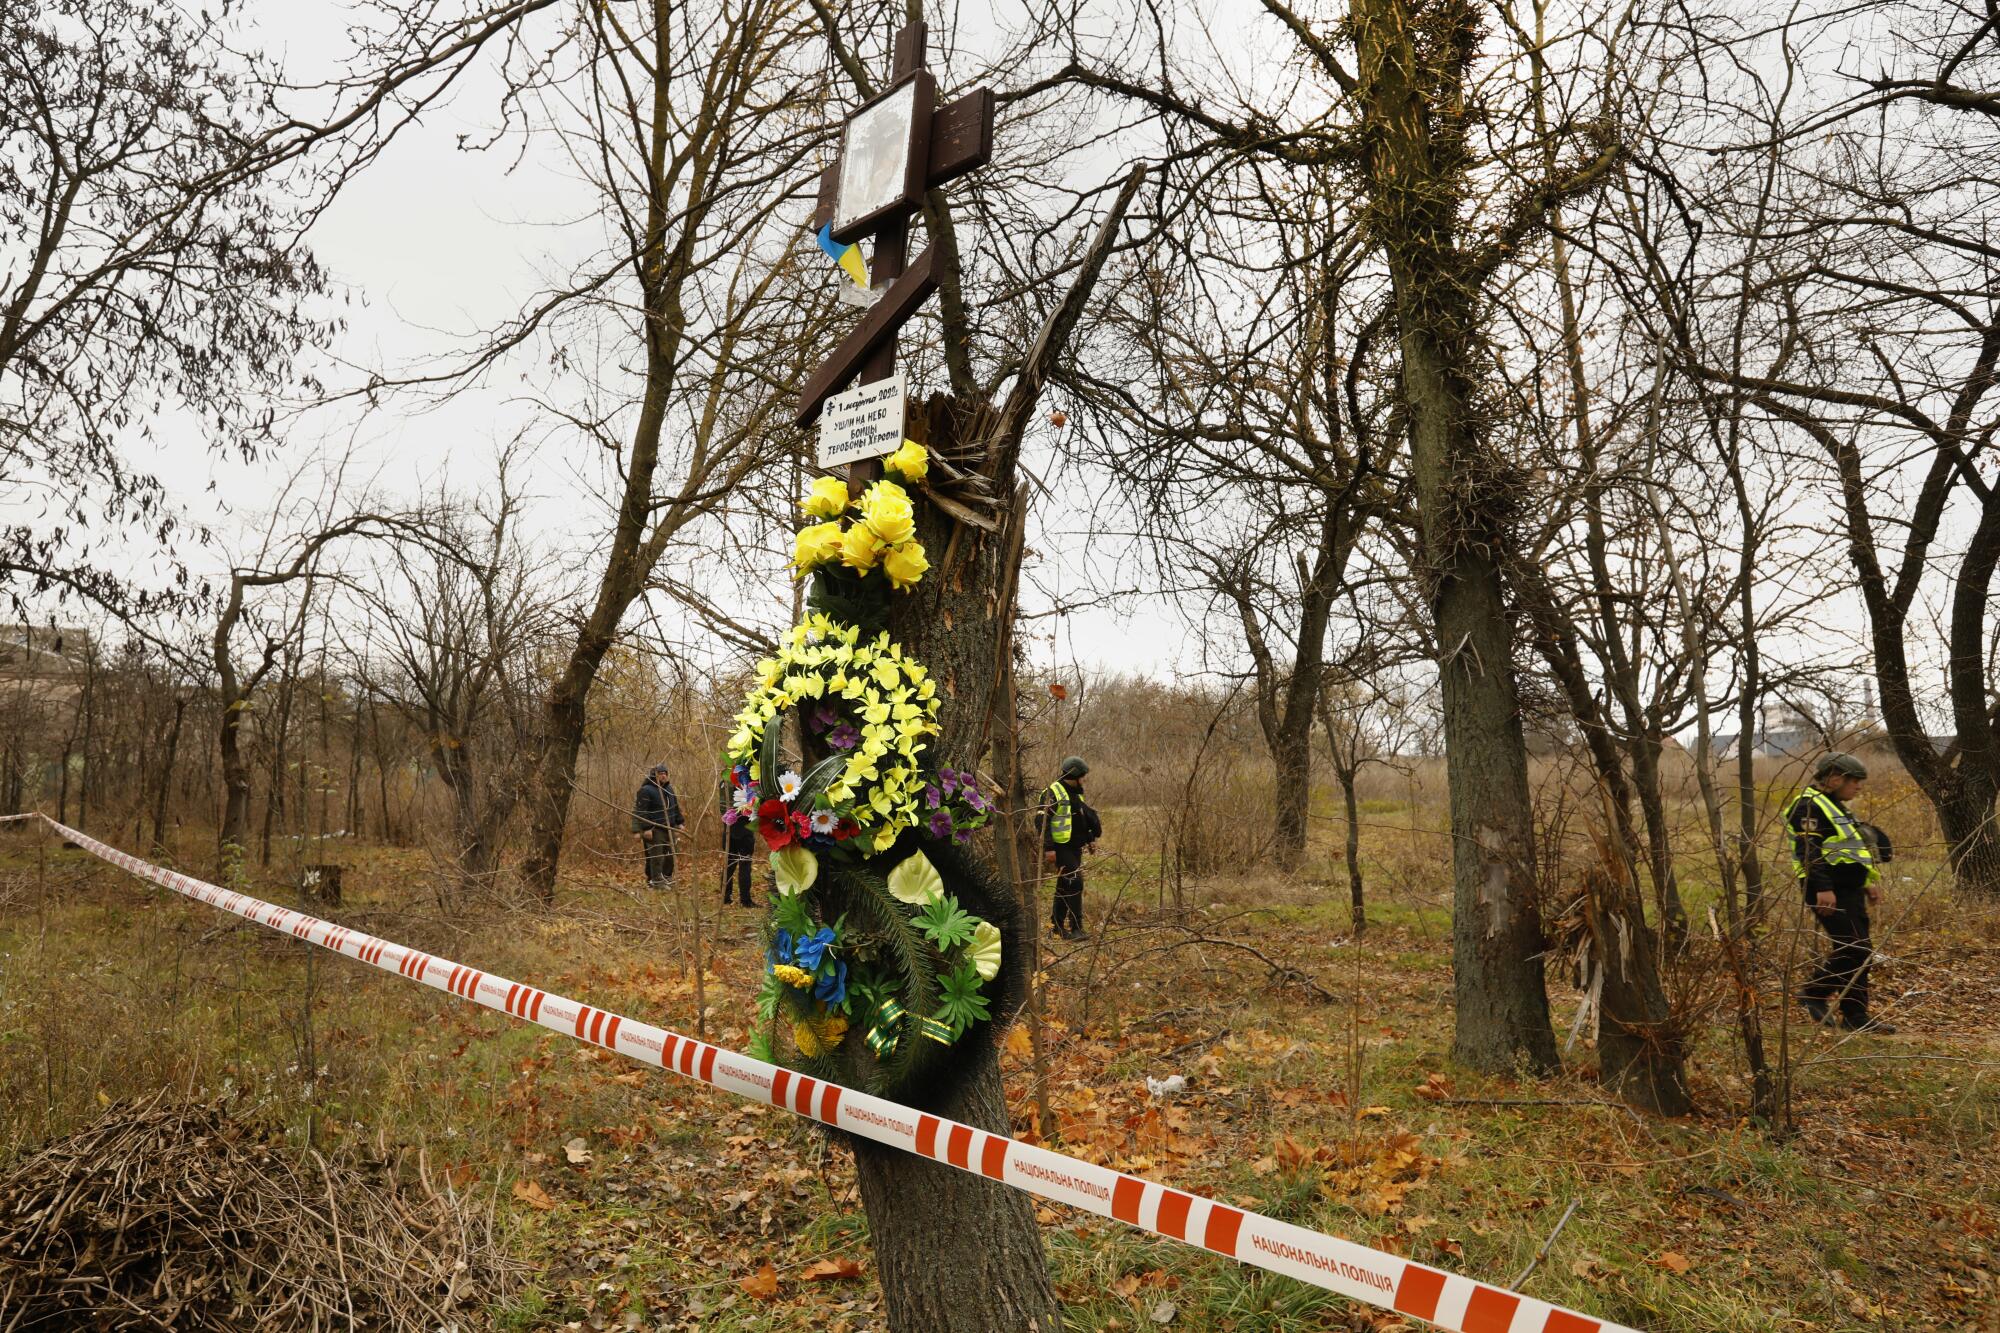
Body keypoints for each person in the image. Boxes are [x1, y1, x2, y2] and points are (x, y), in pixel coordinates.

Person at [1790, 752, 1893, 1034]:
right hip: (1826, 890)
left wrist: (1867, 882)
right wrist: (1823, 888)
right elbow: (1808, 851)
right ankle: (1814, 992)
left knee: (1861, 951)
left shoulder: (1836, 806)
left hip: (1849, 890)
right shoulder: (1808, 806)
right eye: (1854, 781)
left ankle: (1855, 1016)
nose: (1858, 787)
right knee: (1855, 948)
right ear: (1835, 778)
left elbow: (1850, 850)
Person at [1040, 756, 1100, 940]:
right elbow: (1042, 821)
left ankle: (1057, 927)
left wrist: (1090, 839)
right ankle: (1076, 928)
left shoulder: (1076, 792)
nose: (1084, 779)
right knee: (1075, 883)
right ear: (1074, 775)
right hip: (1060, 848)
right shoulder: (1052, 792)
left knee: (1065, 885)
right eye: (1082, 776)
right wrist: (1049, 848)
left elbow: (1080, 820)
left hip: (1074, 847)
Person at [631, 764, 684, 888]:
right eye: (660, 773)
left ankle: (666, 877)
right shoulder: (646, 790)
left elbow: (675, 807)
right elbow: (641, 811)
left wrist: (680, 822)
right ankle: (656, 881)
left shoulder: (669, 789)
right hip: (655, 829)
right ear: (654, 775)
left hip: (670, 827)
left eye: (665, 773)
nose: (663, 775)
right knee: (657, 856)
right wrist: (646, 828)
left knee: (671, 855)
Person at [719, 775, 757, 908]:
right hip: (742, 830)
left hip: (729, 829)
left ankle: (725, 897)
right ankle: (745, 900)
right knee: (744, 864)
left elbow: (722, 808)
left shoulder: (724, 782)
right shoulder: (747, 782)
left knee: (729, 864)